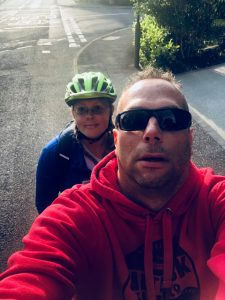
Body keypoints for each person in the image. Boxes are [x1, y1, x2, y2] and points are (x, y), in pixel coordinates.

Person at [1, 66, 225, 300]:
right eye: (133, 120)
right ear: (116, 139)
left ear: (190, 139)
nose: (151, 132)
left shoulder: (215, 200)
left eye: (170, 120)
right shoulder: (69, 197)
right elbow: (34, 270)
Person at [35, 71, 116, 213]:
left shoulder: (125, 146)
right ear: (73, 113)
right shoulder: (56, 152)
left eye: (98, 108)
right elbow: (45, 206)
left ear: (111, 111)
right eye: (81, 110)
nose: (89, 116)